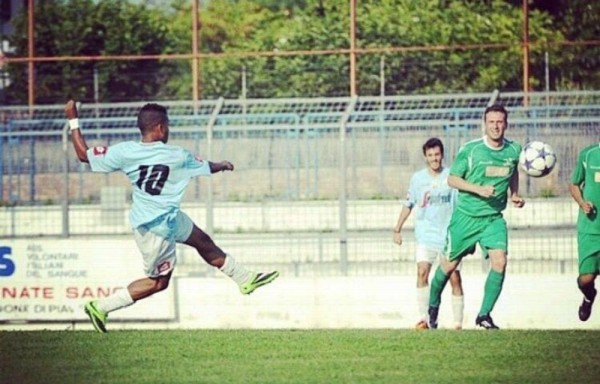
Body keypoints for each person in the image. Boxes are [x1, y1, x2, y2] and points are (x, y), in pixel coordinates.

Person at [65, 100, 279, 333]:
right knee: (158, 283)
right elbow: (207, 166)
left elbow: (83, 155)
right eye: (167, 125)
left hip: (166, 217)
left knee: (202, 240)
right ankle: (101, 306)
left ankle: (245, 279)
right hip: (156, 228)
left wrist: (73, 118)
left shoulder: (125, 151)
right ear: (160, 128)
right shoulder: (177, 155)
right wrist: (224, 164)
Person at [427, 104, 524, 330]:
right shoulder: (471, 150)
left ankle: (484, 315)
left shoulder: (514, 150)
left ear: (506, 124)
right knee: (448, 267)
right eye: (491, 122)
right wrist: (477, 189)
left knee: (500, 261)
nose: (496, 126)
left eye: (500, 122)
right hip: (466, 218)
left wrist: (515, 194)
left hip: (493, 218)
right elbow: (452, 179)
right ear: (485, 124)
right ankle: (432, 305)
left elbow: (513, 171)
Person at [393, 137, 464, 330]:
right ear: (426, 157)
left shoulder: (452, 177)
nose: (434, 158)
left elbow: (460, 205)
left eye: (437, 154)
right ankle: (424, 319)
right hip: (426, 236)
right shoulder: (418, 179)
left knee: (454, 278)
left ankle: (458, 322)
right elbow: (409, 204)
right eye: (430, 155)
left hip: (449, 237)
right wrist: (397, 228)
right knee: (422, 272)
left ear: (442, 155)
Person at [569, 142, 600, 322]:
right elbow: (574, 185)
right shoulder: (588, 154)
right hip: (590, 229)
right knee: (586, 279)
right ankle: (588, 297)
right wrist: (582, 203)